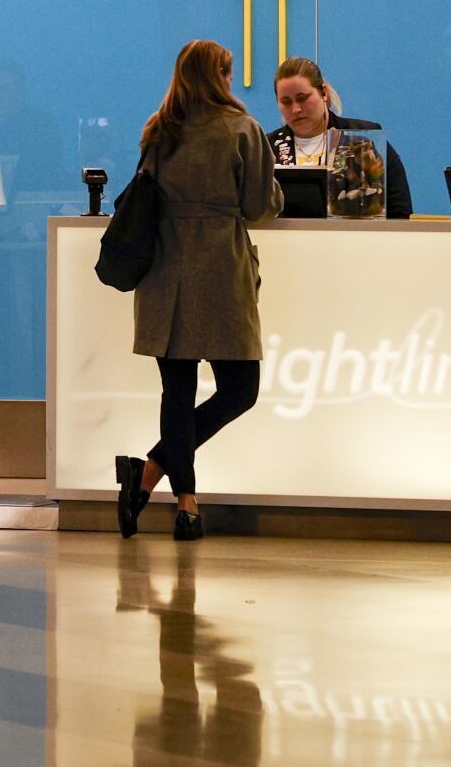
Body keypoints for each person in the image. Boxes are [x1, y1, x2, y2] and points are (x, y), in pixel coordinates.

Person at [115, 40, 281, 541]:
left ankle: (160, 483)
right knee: (240, 390)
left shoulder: (158, 130)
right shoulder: (242, 130)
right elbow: (258, 207)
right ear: (221, 76)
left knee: (178, 391)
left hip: (165, 272)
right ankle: (176, 494)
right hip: (220, 269)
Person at [267, 56, 412, 218]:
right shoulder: (266, 148)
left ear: (324, 93)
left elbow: (400, 212)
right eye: (286, 102)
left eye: (303, 98)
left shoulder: (364, 139)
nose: (295, 109)